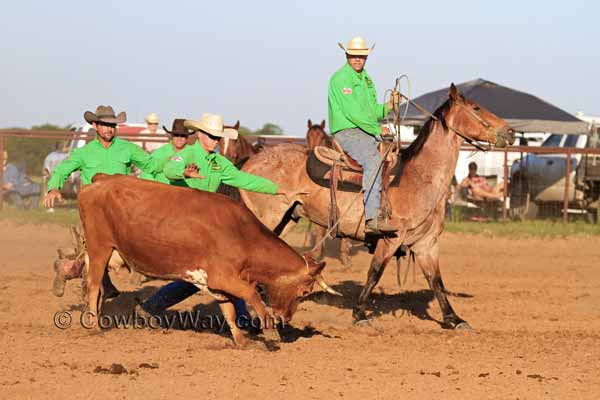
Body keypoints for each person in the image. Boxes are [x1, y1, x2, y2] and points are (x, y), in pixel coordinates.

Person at [138, 113, 298, 327]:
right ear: (200, 134)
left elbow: (244, 179)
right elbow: (169, 169)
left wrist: (277, 189)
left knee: (217, 271)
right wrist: (184, 172)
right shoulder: (186, 154)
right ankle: (241, 321)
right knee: (219, 270)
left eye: (217, 137)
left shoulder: (218, 163)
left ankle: (152, 307)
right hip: (182, 221)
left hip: (204, 225)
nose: (215, 141)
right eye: (211, 136)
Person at [45, 105, 162, 298]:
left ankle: (71, 271)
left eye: (112, 125)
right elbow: (62, 169)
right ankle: (76, 274)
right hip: (94, 213)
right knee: (94, 256)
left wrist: (177, 169)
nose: (109, 129)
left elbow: (152, 165)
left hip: (122, 212)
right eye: (105, 125)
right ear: (95, 125)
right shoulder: (85, 152)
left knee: (119, 250)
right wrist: (54, 187)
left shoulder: (126, 148)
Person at [328, 36, 398, 234]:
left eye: (362, 56)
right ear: (347, 55)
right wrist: (378, 130)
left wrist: (390, 106)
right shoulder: (341, 78)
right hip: (347, 132)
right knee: (373, 160)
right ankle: (371, 218)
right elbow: (354, 113)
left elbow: (372, 111)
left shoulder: (367, 79)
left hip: (365, 130)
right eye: (354, 56)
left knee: (394, 157)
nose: (358, 59)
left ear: (366, 57)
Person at [140, 119, 191, 184]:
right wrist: (154, 189)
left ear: (187, 137)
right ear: (172, 136)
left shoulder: (193, 152)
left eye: (183, 135)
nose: (179, 138)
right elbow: (147, 171)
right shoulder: (159, 153)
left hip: (187, 192)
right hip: (162, 192)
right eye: (176, 135)